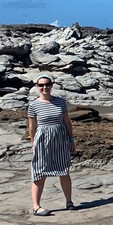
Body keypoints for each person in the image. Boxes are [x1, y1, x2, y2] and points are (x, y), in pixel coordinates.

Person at [27, 75, 76, 215]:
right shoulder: (33, 105)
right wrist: (33, 144)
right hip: (42, 139)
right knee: (40, 172)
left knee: (64, 170)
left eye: (47, 84)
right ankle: (36, 206)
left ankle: (69, 201)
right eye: (41, 85)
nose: (44, 87)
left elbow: (67, 121)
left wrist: (71, 139)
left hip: (60, 138)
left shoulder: (60, 102)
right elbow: (32, 127)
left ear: (51, 85)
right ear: (37, 87)